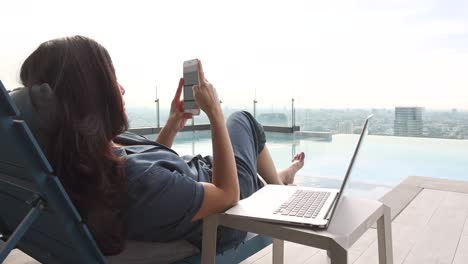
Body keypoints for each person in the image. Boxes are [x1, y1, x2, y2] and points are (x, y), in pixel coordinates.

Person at [14, 35, 305, 256]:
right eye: (112, 81)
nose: (122, 89)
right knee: (243, 120)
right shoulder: (140, 183)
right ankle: (279, 189)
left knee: (235, 145)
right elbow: (228, 194)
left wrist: (171, 124)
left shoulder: (81, 154)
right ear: (92, 96)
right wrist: (215, 112)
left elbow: (152, 164)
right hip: (225, 208)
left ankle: (279, 178)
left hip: (198, 179)